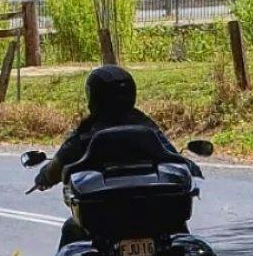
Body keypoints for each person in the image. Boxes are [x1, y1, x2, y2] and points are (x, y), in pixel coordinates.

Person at [32, 63, 181, 245]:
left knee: (71, 230)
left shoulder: (87, 132)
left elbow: (58, 165)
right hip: (153, 213)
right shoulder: (146, 126)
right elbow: (173, 157)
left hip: (105, 217)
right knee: (181, 232)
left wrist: (44, 176)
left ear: (94, 96)